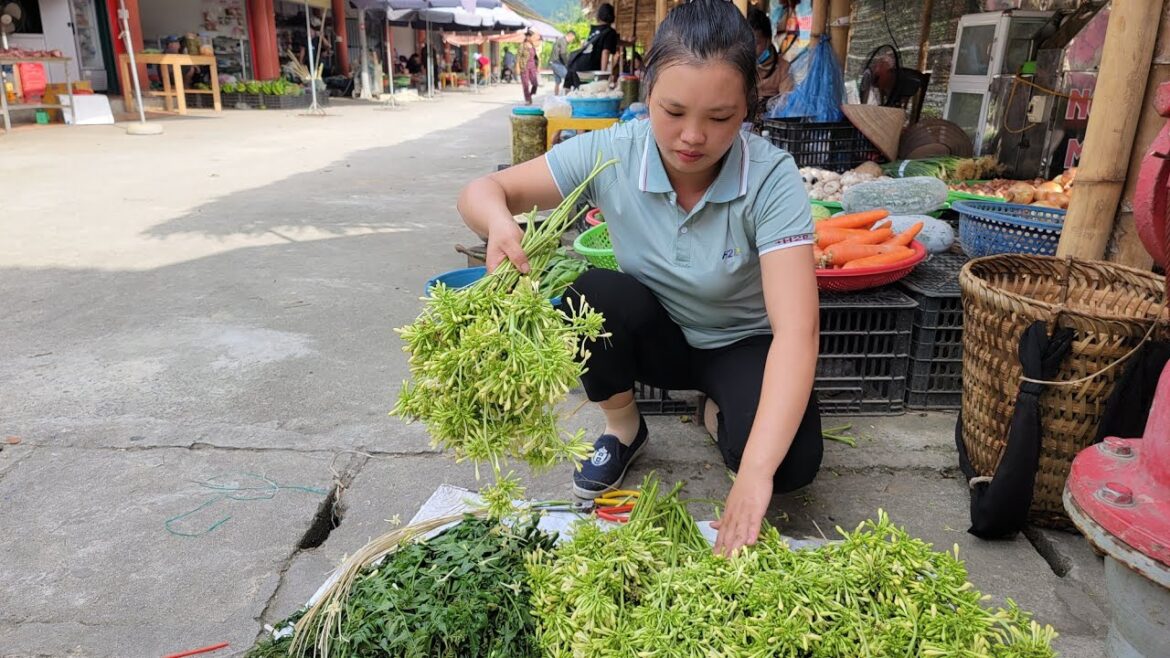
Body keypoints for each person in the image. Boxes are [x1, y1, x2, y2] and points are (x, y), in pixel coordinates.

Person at [456, 0, 822, 556]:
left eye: (720, 118)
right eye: (673, 111)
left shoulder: (771, 178)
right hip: (659, 333)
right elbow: (482, 191)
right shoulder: (614, 154)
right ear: (646, 91)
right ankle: (623, 427)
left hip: (742, 343)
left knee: (790, 467)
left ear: (748, 108)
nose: (692, 136)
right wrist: (500, 223)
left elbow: (797, 332)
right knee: (591, 296)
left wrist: (754, 473)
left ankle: (713, 408)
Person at [564, 2, 618, 89]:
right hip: (588, 70)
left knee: (579, 94)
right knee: (589, 94)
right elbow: (605, 52)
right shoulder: (610, 32)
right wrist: (603, 75)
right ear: (612, 16)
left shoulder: (594, 30)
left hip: (575, 66)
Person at [748, 7, 791, 112]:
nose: (751, 48)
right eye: (747, 42)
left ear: (768, 40)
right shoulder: (741, 66)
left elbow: (787, 101)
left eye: (756, 43)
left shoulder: (784, 68)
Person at [550, 31, 577, 95]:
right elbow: (563, 54)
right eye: (572, 39)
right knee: (568, 78)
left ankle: (556, 97)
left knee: (557, 82)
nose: (572, 41)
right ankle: (567, 96)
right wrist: (567, 64)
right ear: (571, 36)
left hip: (553, 63)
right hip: (557, 63)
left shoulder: (560, 40)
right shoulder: (563, 41)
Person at [519, 30, 540, 105]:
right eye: (527, 36)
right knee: (525, 84)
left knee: (535, 83)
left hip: (533, 66)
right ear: (526, 37)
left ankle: (530, 94)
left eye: (530, 36)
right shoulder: (522, 45)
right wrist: (518, 68)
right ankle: (527, 99)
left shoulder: (532, 45)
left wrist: (537, 66)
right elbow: (518, 56)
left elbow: (535, 57)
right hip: (524, 66)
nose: (529, 37)